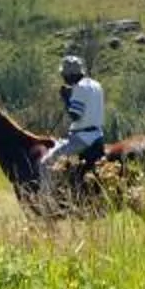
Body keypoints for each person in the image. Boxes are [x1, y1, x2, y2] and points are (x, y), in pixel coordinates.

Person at [47, 52, 109, 197]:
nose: (63, 78)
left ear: (69, 75)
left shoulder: (79, 88)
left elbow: (75, 115)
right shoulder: (96, 84)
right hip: (97, 134)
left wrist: (66, 99)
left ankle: (47, 199)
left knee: (48, 160)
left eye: (64, 75)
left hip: (82, 137)